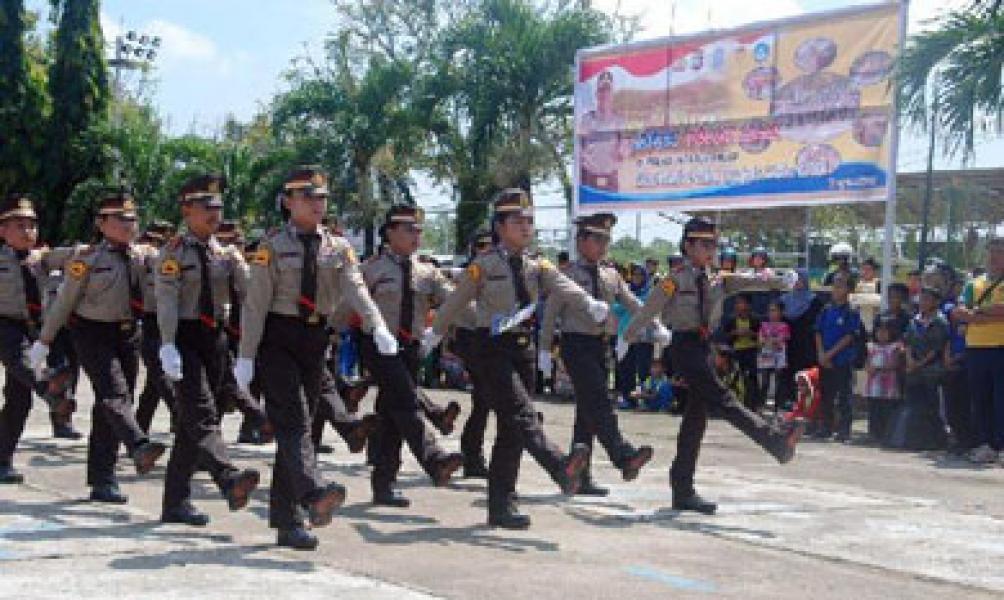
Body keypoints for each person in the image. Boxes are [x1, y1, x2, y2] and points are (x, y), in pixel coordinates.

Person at [234, 166, 394, 550]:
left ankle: (287, 521)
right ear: (288, 202)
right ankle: (313, 492)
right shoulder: (271, 246)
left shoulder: (337, 247)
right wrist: (246, 355)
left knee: (298, 428)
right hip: (278, 338)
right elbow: (255, 305)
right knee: (293, 424)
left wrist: (376, 325)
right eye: (308, 197)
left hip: (315, 339)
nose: (317, 203)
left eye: (321, 197)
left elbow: (355, 288)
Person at [426, 188, 604, 529]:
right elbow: (456, 300)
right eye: (517, 221)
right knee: (522, 415)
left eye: (529, 221)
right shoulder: (484, 265)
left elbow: (564, 286)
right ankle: (559, 465)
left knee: (512, 430)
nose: (526, 227)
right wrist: (435, 333)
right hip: (491, 348)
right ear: (500, 226)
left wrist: (588, 303)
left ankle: (501, 505)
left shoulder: (537, 264)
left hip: (522, 347)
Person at [624, 217, 805, 515]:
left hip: (704, 346)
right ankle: (775, 441)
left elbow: (751, 280)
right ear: (688, 246)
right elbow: (649, 309)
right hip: (683, 346)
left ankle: (682, 488)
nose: (711, 250)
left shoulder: (718, 279)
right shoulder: (675, 279)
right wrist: (628, 337)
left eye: (713, 244)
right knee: (724, 398)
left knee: (695, 420)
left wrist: (779, 280)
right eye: (704, 244)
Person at [29, 189, 167, 503]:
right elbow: (64, 302)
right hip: (92, 333)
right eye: (120, 219)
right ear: (101, 224)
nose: (128, 225)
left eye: (132, 219)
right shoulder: (86, 259)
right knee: (114, 395)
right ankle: (138, 444)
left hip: (128, 335)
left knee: (115, 404)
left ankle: (103, 479)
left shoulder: (144, 256)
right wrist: (44, 341)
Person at [154, 174, 262, 526]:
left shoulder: (226, 254)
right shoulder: (172, 253)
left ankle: (175, 502)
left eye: (218, 206)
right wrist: (167, 343)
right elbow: (167, 300)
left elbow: (252, 293)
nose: (214, 213)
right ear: (187, 211)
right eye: (206, 207)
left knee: (193, 424)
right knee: (201, 414)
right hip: (183, 338)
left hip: (215, 339)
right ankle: (227, 477)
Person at [538, 212, 655, 496]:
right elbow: (550, 313)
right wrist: (543, 348)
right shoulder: (566, 276)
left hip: (601, 345)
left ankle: (580, 476)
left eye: (606, 240)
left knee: (587, 412)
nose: (603, 246)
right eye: (597, 240)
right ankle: (623, 456)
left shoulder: (611, 274)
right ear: (581, 242)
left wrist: (654, 324)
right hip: (575, 344)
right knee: (600, 401)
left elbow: (632, 303)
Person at [358, 205, 464, 508]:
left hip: (411, 348)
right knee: (406, 402)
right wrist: (329, 332)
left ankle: (384, 483)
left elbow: (453, 299)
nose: (416, 235)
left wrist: (478, 317)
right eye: (408, 229)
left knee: (392, 415)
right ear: (390, 233)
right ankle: (434, 459)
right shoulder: (371, 269)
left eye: (419, 230)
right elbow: (347, 305)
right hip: (379, 346)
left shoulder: (427, 271)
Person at [0, 194, 76, 484]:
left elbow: (70, 255)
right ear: (3, 230)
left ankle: (2, 460)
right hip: (5, 325)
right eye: (19, 226)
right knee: (21, 360)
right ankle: (49, 389)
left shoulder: (41, 259)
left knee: (19, 401)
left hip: (33, 328)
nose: (27, 231)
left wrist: (89, 249)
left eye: (32, 225)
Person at [953, 237, 1004, 464]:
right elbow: (959, 311)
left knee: (1001, 399)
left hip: (1001, 347)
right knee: (980, 398)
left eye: (999, 252)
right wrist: (985, 314)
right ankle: (985, 444)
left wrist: (977, 313)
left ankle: (1001, 445)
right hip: (976, 347)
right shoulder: (973, 284)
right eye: (991, 251)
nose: (994, 256)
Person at [452, 229, 495, 478]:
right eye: (481, 246)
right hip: (471, 337)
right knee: (484, 397)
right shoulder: (469, 273)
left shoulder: (496, 270)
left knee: (484, 400)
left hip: (490, 338)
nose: (485, 250)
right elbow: (465, 309)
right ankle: (472, 454)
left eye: (490, 246)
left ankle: (473, 454)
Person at [888, 286, 949, 450]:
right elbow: (907, 342)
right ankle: (915, 439)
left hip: (931, 370)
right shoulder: (914, 321)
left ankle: (936, 441)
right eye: (921, 299)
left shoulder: (940, 322)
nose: (923, 303)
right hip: (913, 370)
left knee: (932, 406)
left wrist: (919, 364)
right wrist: (909, 361)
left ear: (935, 302)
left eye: (927, 299)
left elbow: (937, 348)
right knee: (913, 405)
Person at [135, 221, 178, 434]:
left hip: (171, 322)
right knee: (160, 374)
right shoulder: (141, 258)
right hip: (148, 322)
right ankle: (181, 415)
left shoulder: (173, 259)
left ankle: (139, 427)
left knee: (154, 384)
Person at [813, 273, 862, 442]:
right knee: (826, 394)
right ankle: (826, 427)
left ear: (848, 289)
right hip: (824, 359)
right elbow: (818, 331)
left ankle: (844, 430)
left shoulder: (851, 311)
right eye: (835, 285)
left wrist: (830, 354)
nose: (836, 289)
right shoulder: (826, 310)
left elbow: (849, 336)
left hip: (842, 359)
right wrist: (821, 354)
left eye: (840, 286)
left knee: (844, 396)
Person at [776, 269, 823, 411]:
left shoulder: (814, 301)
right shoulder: (783, 300)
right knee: (786, 375)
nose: (797, 283)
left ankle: (807, 407)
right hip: (787, 346)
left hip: (806, 346)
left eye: (800, 279)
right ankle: (787, 406)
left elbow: (817, 324)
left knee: (805, 376)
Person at [579, 70, 629, 192]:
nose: (604, 94)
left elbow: (625, 146)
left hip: (611, 178)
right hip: (588, 177)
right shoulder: (587, 119)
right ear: (596, 94)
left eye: (608, 90)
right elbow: (579, 146)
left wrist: (622, 152)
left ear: (612, 94)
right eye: (601, 90)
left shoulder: (619, 121)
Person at [614, 263, 654, 409]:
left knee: (643, 370)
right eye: (635, 275)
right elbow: (615, 308)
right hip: (624, 334)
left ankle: (645, 399)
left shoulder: (650, 292)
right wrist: (630, 304)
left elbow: (644, 309)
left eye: (640, 275)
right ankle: (628, 398)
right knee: (626, 368)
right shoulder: (627, 291)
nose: (637, 277)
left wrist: (628, 304)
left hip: (643, 335)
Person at [864, 318, 902, 444]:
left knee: (886, 410)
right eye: (879, 331)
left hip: (888, 384)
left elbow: (895, 364)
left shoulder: (895, 347)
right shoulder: (871, 347)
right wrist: (869, 368)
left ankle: (886, 435)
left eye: (885, 331)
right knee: (874, 410)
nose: (881, 334)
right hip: (873, 384)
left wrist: (879, 369)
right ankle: (873, 433)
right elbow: (867, 362)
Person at [723, 294, 760, 409]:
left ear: (749, 305)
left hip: (751, 350)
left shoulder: (755, 319)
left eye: (742, 303)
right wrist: (734, 333)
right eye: (738, 303)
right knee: (736, 376)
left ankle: (753, 403)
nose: (739, 305)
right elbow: (725, 336)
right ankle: (735, 401)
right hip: (736, 351)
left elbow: (762, 335)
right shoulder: (731, 319)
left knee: (752, 377)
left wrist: (751, 333)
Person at [758, 301, 791, 411]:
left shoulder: (784, 326)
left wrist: (770, 340)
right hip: (766, 355)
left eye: (774, 310)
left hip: (779, 356)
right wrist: (769, 341)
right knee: (765, 381)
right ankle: (761, 404)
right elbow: (761, 340)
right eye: (770, 311)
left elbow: (783, 339)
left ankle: (777, 406)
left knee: (778, 381)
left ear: (781, 312)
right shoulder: (764, 325)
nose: (771, 313)